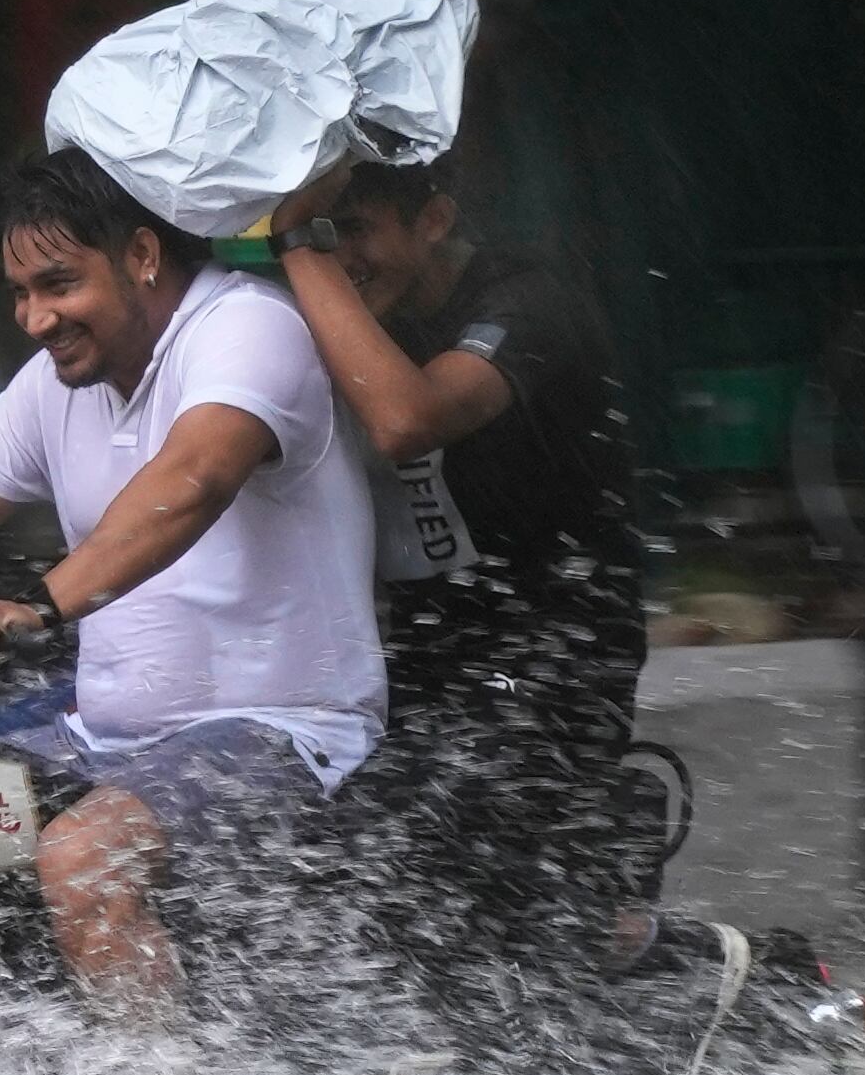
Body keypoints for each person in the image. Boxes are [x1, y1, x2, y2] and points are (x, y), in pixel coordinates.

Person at [0, 147, 384, 1015]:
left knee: (83, 856)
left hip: (283, 731)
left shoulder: (245, 325)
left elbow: (192, 479)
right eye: (18, 293)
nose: (34, 317)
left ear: (141, 255)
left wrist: (38, 604)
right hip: (101, 741)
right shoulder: (61, 380)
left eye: (57, 284)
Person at [264, 155, 654, 925]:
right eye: (320, 232)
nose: (338, 257)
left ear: (434, 220)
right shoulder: (348, 304)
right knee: (418, 889)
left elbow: (409, 420)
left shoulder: (527, 298)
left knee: (480, 869)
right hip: (424, 638)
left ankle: (762, 977)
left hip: (553, 636)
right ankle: (605, 873)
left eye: (354, 230)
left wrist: (293, 244)